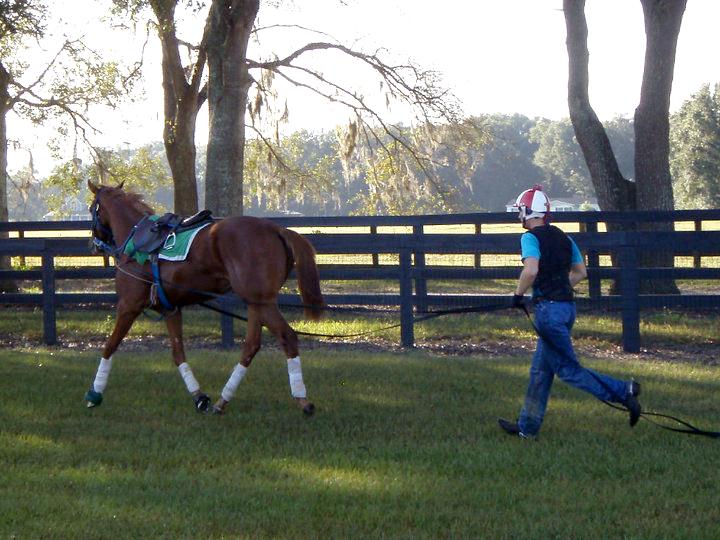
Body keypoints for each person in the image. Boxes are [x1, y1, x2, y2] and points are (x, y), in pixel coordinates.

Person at [498, 185, 641, 439]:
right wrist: (560, 288)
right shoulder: (566, 238)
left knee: (568, 370)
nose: (518, 216)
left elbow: (531, 271)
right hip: (566, 309)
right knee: (540, 372)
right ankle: (527, 428)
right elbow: (580, 272)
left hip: (548, 313)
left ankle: (624, 391)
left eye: (520, 211)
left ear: (529, 212)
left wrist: (518, 296)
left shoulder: (529, 238)